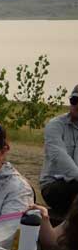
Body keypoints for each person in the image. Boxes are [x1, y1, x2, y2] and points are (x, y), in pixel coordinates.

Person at [39, 84, 78, 220]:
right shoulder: (55, 125)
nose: (76, 105)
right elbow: (59, 155)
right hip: (52, 186)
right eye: (74, 101)